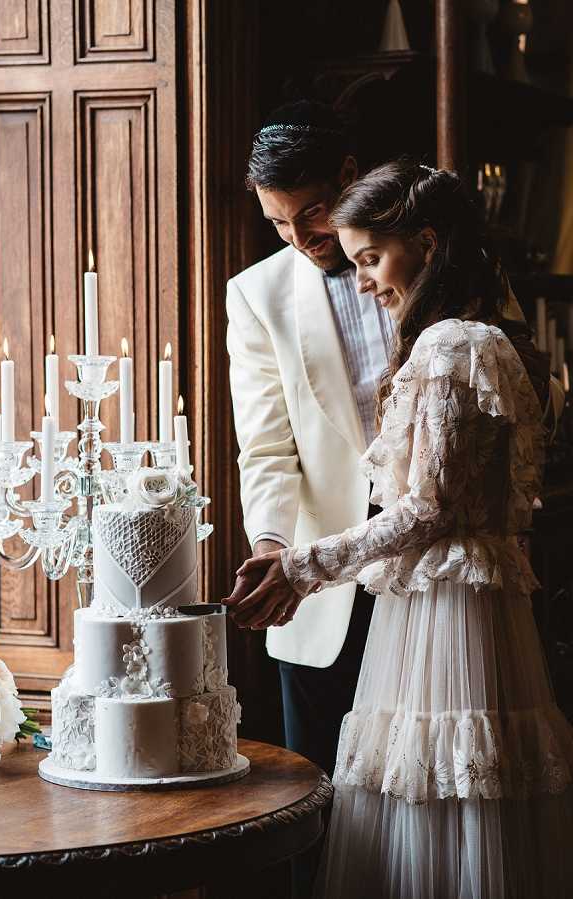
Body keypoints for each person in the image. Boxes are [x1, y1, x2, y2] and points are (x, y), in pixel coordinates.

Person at [224, 160, 573, 898]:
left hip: (446, 612)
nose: (363, 282)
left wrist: (302, 565)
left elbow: (430, 509)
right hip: (477, 600)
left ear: (427, 242)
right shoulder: (491, 341)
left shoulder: (447, 348)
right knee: (470, 791)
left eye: (371, 259)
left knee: (439, 794)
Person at [226, 100, 395, 777]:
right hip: (322, 586)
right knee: (319, 805)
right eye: (277, 222)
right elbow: (265, 447)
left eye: (312, 212)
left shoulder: (429, 261)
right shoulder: (256, 295)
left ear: (349, 175)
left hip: (435, 570)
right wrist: (272, 544)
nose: (299, 236)